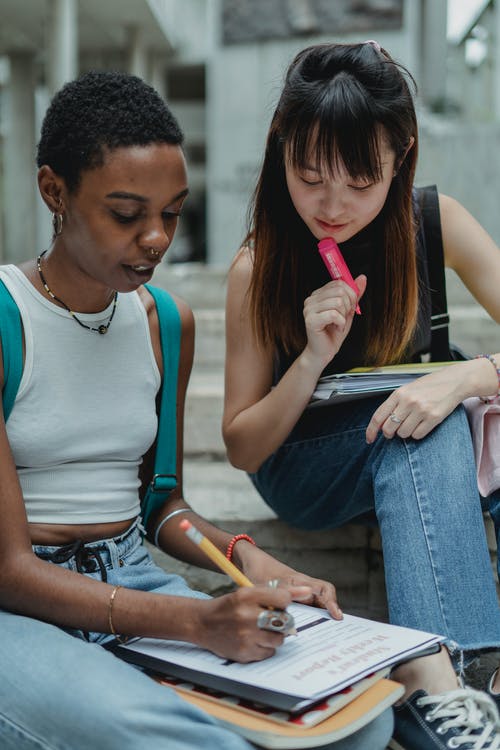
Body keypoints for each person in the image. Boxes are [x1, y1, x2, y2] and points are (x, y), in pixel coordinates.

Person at [0, 71, 393, 750]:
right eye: (127, 214)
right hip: (21, 606)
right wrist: (197, 622)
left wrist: (257, 564)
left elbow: (162, 504)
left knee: (357, 721)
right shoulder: (7, 318)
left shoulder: (165, 324)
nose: (157, 237)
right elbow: (8, 568)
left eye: (173, 212)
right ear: (54, 191)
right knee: (179, 738)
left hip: (129, 574)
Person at [222, 41, 500, 750]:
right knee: (425, 425)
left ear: (402, 154)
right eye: (310, 177)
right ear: (280, 147)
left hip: (425, 443)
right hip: (305, 470)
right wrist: (312, 356)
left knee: (435, 412)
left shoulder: (435, 224)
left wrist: (465, 377)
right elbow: (244, 443)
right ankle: (445, 689)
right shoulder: (259, 266)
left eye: (360, 179)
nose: (333, 205)